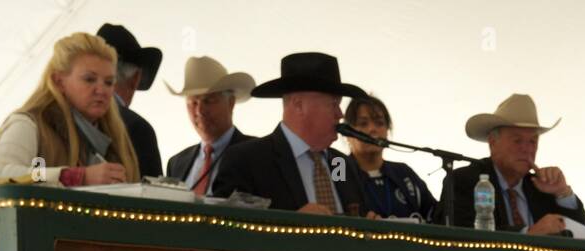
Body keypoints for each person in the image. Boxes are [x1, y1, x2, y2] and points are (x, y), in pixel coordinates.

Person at [211, 52, 369, 216]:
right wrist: (292, 223)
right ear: (299, 105)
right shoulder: (248, 161)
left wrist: (370, 222)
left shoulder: (339, 163)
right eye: (333, 104)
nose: (340, 114)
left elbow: (353, 208)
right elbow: (227, 223)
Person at [0, 32, 138, 187]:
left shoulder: (117, 138)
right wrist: (75, 177)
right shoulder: (29, 124)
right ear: (58, 82)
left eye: (109, 82)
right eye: (89, 79)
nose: (101, 90)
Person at [434, 93, 585, 233]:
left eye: (532, 141)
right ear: (493, 143)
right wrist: (528, 234)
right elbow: (463, 234)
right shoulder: (466, 181)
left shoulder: (541, 188)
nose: (526, 149)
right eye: (517, 141)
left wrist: (562, 193)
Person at [165, 57, 256, 196]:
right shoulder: (176, 163)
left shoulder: (256, 154)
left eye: (208, 101)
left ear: (231, 103)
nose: (200, 111)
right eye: (193, 103)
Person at [343, 94, 436, 220]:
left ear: (387, 130)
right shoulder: (339, 167)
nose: (372, 129)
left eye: (380, 123)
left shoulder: (403, 172)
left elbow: (434, 215)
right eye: (363, 124)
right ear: (347, 132)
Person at [96, 23, 162, 177]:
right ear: (136, 78)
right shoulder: (138, 128)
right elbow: (153, 190)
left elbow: (39, 177)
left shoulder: (50, 119)